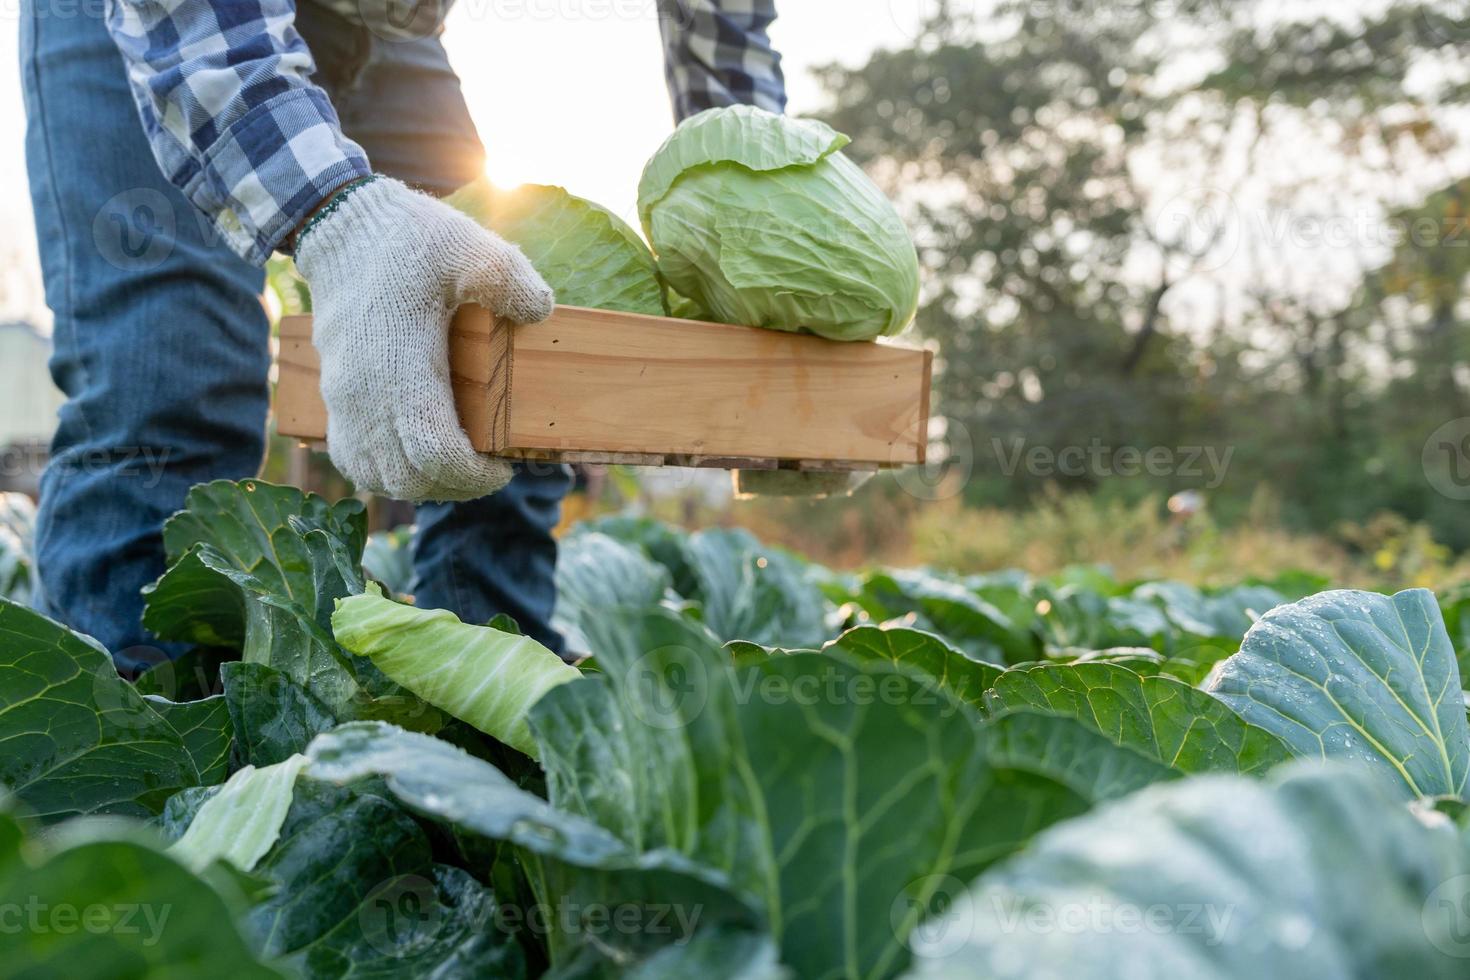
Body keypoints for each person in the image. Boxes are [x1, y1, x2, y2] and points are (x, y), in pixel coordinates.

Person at [21, 0, 785, 672]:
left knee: (508, 349)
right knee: (167, 386)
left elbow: (722, 16)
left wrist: (766, 216)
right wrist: (334, 216)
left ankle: (490, 717)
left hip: (385, 26)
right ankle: (138, 766)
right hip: (165, 17)